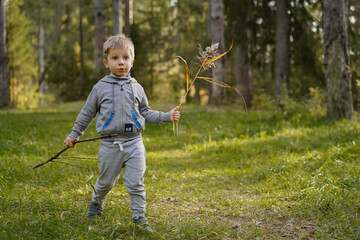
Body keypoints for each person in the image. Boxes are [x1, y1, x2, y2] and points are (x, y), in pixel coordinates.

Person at [64, 34, 180, 232]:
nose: (121, 63)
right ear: (106, 62)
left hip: (134, 143)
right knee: (106, 182)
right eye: (115, 58)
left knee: (136, 183)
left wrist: (166, 116)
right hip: (110, 145)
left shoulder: (137, 87)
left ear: (132, 61)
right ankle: (96, 203)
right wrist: (75, 134)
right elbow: (87, 113)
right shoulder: (100, 88)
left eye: (125, 58)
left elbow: (146, 112)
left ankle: (139, 218)